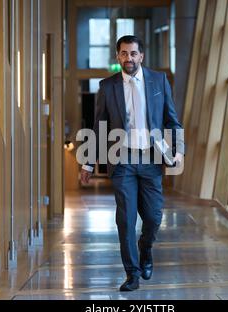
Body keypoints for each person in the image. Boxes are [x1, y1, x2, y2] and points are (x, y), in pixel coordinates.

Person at [80, 35, 185, 291]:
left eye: (133, 53)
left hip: (151, 159)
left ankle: (145, 249)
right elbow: (99, 126)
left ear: (141, 56)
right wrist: (89, 163)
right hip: (122, 159)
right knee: (125, 219)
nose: (129, 58)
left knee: (153, 217)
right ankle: (132, 274)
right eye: (124, 54)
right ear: (118, 57)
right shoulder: (107, 86)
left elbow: (172, 119)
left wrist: (179, 149)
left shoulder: (159, 81)